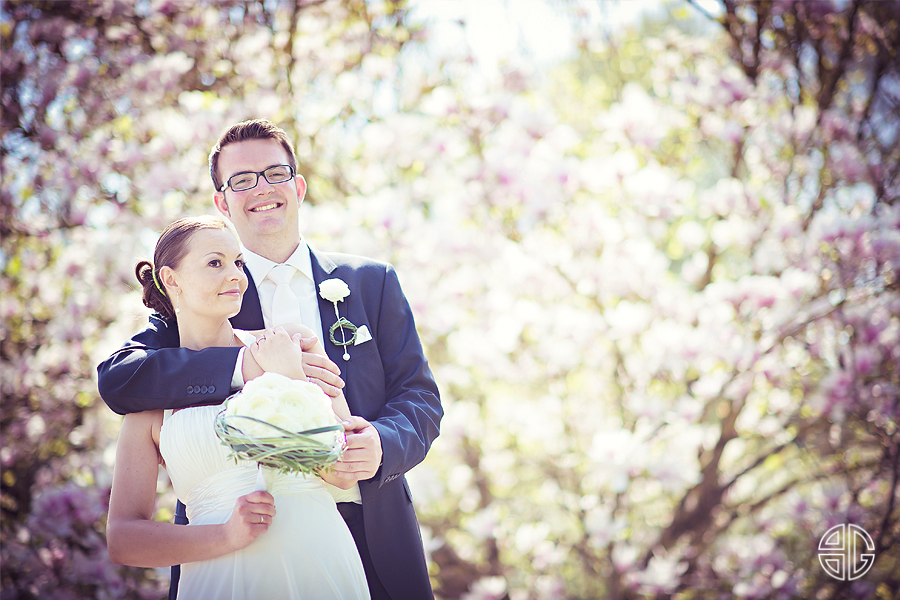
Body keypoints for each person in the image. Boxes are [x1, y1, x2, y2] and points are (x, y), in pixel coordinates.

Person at [97, 119, 442, 599]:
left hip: (373, 527)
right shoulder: (205, 299)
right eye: (241, 179)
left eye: (275, 174)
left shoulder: (371, 281)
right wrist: (245, 367)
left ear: (297, 186)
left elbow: (419, 396)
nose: (261, 188)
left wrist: (381, 444)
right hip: (238, 544)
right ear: (222, 200)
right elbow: (119, 379)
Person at [106, 215, 369, 599]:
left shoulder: (291, 345)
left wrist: (291, 376)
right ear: (172, 280)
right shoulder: (147, 393)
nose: (236, 276)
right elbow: (124, 539)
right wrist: (225, 536)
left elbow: (342, 474)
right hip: (218, 579)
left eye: (238, 262)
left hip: (319, 562)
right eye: (216, 263)